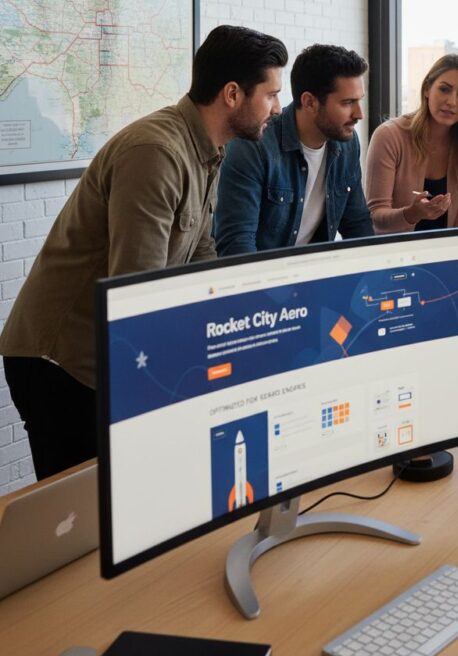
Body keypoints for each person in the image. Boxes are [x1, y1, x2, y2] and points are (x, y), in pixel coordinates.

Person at [0, 25, 289, 479]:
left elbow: (201, 257)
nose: (277, 107)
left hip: (108, 353)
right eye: (271, 94)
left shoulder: (209, 150)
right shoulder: (156, 151)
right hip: (62, 362)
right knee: (84, 523)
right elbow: (137, 291)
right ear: (233, 94)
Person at [213, 44, 373, 255]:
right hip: (258, 279)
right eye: (347, 103)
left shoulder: (347, 144)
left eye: (359, 101)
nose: (359, 114)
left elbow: (357, 225)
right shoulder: (253, 146)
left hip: (310, 278)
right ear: (309, 102)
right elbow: (236, 245)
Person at [365, 54, 458, 233]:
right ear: (427, 89)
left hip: (445, 254)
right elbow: (375, 219)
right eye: (444, 89)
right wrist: (411, 214)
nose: (452, 101)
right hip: (393, 256)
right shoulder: (389, 136)